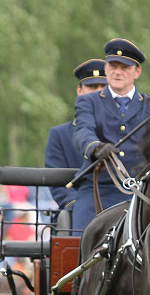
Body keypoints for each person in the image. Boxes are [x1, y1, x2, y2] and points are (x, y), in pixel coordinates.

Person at [71, 38, 150, 233]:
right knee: (79, 239)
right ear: (106, 67)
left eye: (124, 67)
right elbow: (82, 130)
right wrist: (95, 147)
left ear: (137, 72)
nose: (117, 72)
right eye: (113, 65)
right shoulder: (88, 102)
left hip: (139, 190)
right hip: (98, 187)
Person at [44, 58, 107, 213]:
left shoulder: (121, 129)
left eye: (103, 87)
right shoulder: (59, 135)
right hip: (78, 209)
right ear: (79, 91)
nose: (97, 92)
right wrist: (76, 205)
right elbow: (57, 183)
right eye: (91, 86)